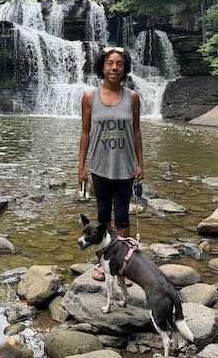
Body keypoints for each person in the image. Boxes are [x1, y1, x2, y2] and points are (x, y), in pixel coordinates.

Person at [78, 46, 144, 281]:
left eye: (119, 64)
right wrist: (81, 167)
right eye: (110, 63)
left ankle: (123, 265)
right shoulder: (89, 97)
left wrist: (140, 164)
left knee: (123, 217)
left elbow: (136, 131)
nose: (115, 68)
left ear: (125, 69)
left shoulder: (132, 97)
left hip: (125, 167)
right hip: (99, 166)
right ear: (102, 67)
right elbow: (85, 132)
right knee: (103, 217)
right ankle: (103, 262)